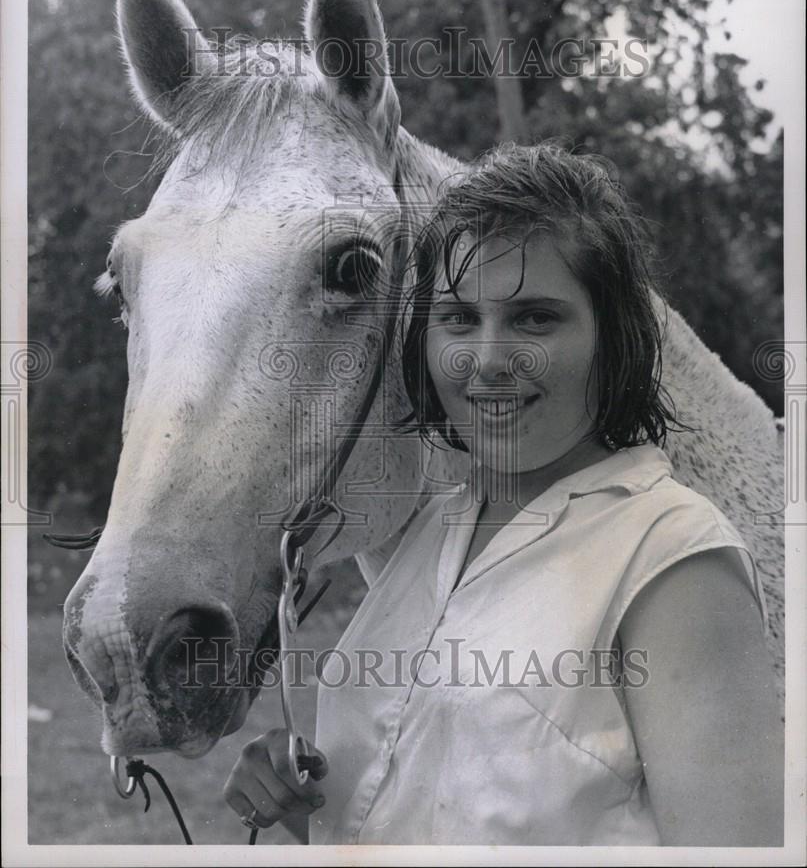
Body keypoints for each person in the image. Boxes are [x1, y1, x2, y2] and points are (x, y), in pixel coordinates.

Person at [224, 143, 783, 846]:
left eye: (534, 318)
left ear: (612, 340)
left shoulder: (671, 557)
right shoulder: (425, 536)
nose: (487, 360)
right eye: (458, 318)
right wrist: (302, 802)